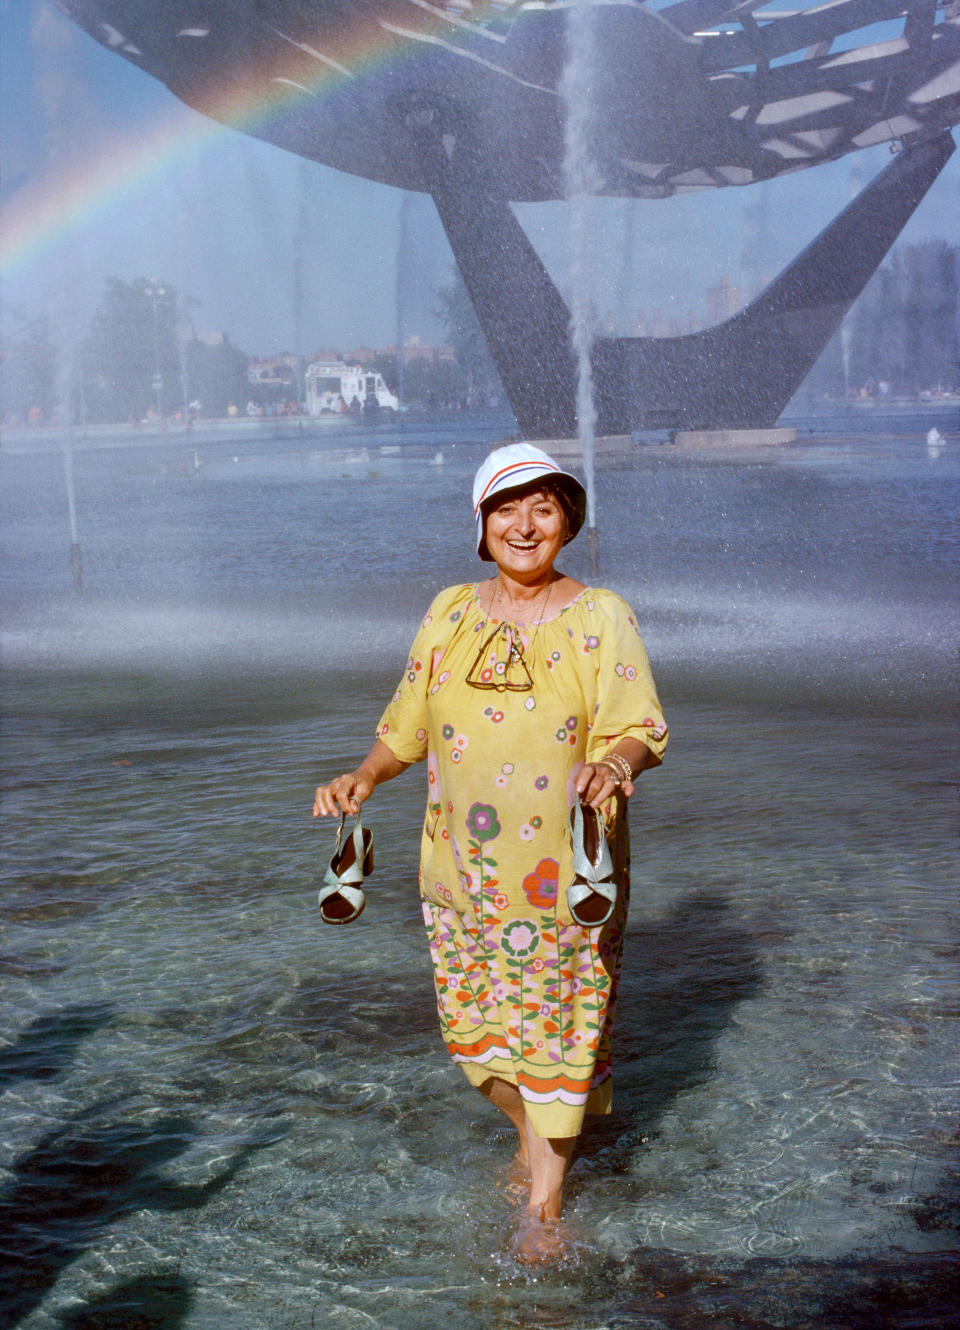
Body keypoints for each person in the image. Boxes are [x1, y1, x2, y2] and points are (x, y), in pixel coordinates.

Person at [313, 442, 667, 1261]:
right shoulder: (448, 613)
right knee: (476, 1044)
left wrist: (615, 762)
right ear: (481, 524)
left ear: (567, 522)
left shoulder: (601, 616)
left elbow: (639, 727)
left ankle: (545, 1206)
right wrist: (364, 777)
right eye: (506, 507)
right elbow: (404, 725)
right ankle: (540, 1130)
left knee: (555, 1037)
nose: (525, 524)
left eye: (544, 507)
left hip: (566, 877)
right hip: (460, 878)